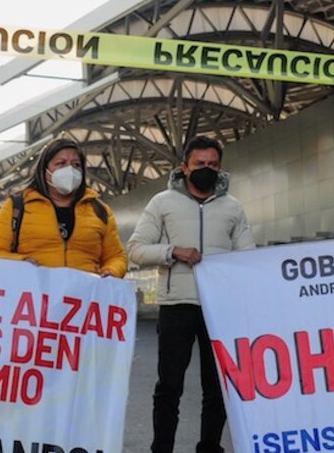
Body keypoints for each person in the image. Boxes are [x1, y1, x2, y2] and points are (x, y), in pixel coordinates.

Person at [126, 135, 255, 453]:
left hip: (219, 310)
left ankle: (210, 447)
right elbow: (135, 250)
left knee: (218, 388)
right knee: (169, 387)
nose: (207, 169)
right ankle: (162, 448)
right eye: (200, 164)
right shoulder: (162, 203)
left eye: (213, 164)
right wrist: (173, 251)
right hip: (176, 306)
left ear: (220, 167)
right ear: (184, 167)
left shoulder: (233, 208)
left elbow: (248, 257)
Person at [0, 138, 127, 278]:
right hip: (34, 298)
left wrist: (111, 271)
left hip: (83, 298)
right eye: (61, 163)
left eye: (76, 165)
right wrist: (21, 262)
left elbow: (116, 256)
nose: (69, 170)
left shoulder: (99, 210)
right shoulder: (17, 207)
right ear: (45, 171)